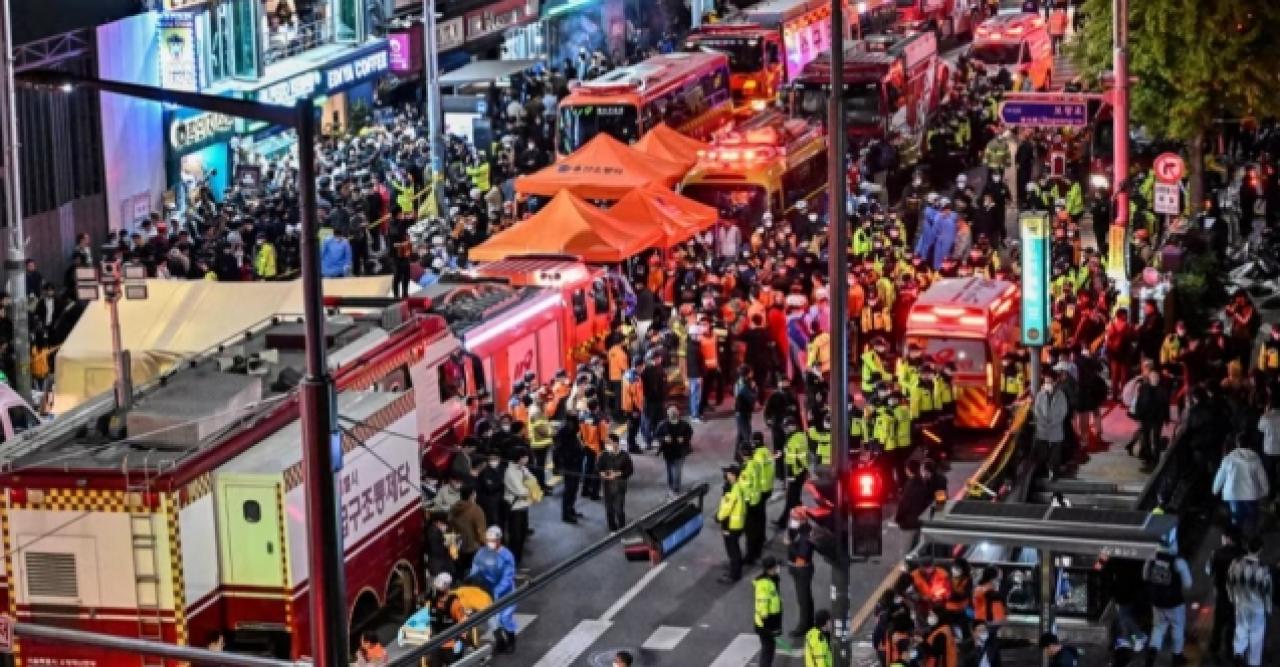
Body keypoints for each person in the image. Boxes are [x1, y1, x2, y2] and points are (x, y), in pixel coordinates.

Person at [1142, 538, 1192, 666]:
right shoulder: (1178, 562)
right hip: (1175, 603)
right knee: (1177, 628)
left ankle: (1152, 652)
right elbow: (1188, 584)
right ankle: (1177, 657)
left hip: (1157, 602)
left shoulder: (1151, 558)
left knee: (1158, 628)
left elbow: (1145, 577)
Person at [469, 526, 518, 653]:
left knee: (505, 618)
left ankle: (511, 641)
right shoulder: (482, 553)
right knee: (492, 620)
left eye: (493, 540)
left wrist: (496, 591)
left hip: (506, 593)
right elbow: (476, 567)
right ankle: (500, 642)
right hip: (488, 592)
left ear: (499, 540)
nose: (490, 543)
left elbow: (508, 576)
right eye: (488, 540)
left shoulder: (506, 555)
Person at [1226, 536, 1272, 667]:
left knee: (1240, 631)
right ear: (1260, 550)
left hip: (1240, 604)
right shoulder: (1263, 569)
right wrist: (1268, 609)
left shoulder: (1235, 563)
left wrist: (1232, 598)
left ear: (1247, 547)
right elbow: (1267, 593)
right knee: (1256, 637)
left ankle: (1238, 655)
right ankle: (1253, 662)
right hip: (1257, 608)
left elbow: (1229, 583)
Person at [1211, 434, 1270, 536]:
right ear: (1250, 444)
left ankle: (1237, 538)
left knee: (1236, 518)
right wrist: (1266, 490)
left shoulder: (1228, 458)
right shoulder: (1255, 458)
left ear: (1237, 444)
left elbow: (1220, 475)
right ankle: (1252, 536)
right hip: (1251, 494)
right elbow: (1262, 477)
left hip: (1233, 494)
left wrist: (1215, 489)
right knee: (1253, 516)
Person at [1205, 527, 1245, 660]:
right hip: (1237, 596)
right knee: (1233, 624)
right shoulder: (1243, 555)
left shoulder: (1215, 553)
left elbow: (1208, 571)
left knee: (1218, 624)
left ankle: (1214, 649)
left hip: (1222, 594)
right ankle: (1229, 650)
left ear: (1228, 538)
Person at [1031, 369, 1070, 480]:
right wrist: (1042, 421)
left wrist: (1054, 422)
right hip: (1042, 429)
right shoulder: (1040, 395)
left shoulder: (1061, 395)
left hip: (1056, 428)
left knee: (1055, 454)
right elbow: (1037, 410)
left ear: (1054, 382)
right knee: (1043, 453)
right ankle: (1043, 471)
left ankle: (1054, 472)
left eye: (1049, 382)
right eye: (1045, 382)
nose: (1047, 384)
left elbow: (1063, 411)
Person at [787, 507, 816, 637]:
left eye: (795, 518)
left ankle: (804, 625)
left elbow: (802, 554)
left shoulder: (805, 534)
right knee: (805, 598)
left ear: (803, 519)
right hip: (797, 568)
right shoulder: (798, 530)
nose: (792, 521)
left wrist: (789, 544)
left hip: (802, 570)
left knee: (803, 599)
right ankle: (808, 622)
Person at [502, 448, 535, 563]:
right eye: (525, 456)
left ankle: (518, 559)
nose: (527, 459)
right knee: (515, 537)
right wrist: (530, 489)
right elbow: (520, 491)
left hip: (523, 506)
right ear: (519, 458)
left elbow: (532, 480)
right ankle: (513, 560)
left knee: (521, 536)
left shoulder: (521, 469)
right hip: (515, 508)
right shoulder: (510, 472)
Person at [553, 414, 586, 524]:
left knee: (574, 489)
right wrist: (557, 466)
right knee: (569, 490)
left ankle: (571, 509)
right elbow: (557, 451)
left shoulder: (572, 433)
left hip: (576, 464)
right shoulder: (563, 433)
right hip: (569, 465)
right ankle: (566, 514)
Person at [597, 434, 634, 532]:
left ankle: (622, 528)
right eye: (606, 443)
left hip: (619, 487)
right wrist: (602, 473)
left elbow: (630, 470)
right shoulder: (604, 455)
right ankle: (612, 528)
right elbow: (598, 468)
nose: (607, 445)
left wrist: (618, 473)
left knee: (619, 509)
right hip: (607, 487)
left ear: (616, 443)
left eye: (609, 442)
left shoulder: (624, 456)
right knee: (609, 510)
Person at [717, 464, 747, 583]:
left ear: (733, 476)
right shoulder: (738, 486)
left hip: (730, 524)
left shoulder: (732, 490)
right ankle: (736, 568)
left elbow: (726, 508)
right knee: (735, 548)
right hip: (738, 522)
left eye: (728, 473)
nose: (726, 475)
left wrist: (718, 517)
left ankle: (734, 574)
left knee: (732, 549)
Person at [448, 484, 486, 575]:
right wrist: (486, 544)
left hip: (458, 548)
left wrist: (452, 552)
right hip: (473, 549)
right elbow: (480, 531)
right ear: (472, 495)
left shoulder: (453, 508)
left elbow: (449, 531)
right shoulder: (476, 510)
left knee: (460, 574)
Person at [655, 406, 693, 495]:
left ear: (678, 413)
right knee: (669, 469)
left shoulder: (684, 424)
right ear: (668, 414)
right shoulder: (663, 424)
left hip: (680, 452)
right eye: (671, 412)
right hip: (668, 452)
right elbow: (657, 435)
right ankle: (671, 485)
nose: (673, 414)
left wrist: (684, 438)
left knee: (676, 471)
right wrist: (664, 438)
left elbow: (690, 433)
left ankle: (676, 488)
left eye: (674, 412)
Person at [753, 557, 784, 667]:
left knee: (769, 648)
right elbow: (762, 605)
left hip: (770, 621)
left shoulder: (772, 579)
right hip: (765, 623)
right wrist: (767, 625)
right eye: (776, 566)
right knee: (768, 649)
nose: (778, 568)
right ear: (770, 569)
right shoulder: (763, 584)